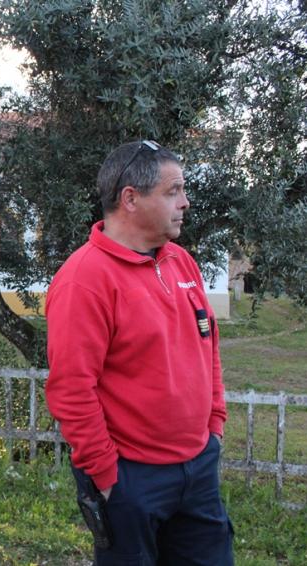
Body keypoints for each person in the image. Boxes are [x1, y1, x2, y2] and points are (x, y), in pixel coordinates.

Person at [45, 140, 234, 564]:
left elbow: (209, 347)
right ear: (130, 198)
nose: (184, 203)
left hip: (197, 469)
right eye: (173, 191)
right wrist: (108, 478)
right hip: (131, 478)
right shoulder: (84, 279)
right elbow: (71, 389)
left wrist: (214, 428)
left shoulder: (182, 262)